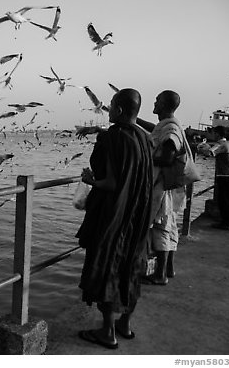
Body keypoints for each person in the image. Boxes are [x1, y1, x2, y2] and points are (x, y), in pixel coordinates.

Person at [76, 88, 153, 349]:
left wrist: (89, 180)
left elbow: (110, 183)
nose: (107, 109)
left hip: (114, 214)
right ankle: (125, 325)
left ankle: (107, 332)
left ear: (119, 110)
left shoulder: (113, 137)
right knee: (131, 263)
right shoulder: (144, 138)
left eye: (110, 105)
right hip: (138, 214)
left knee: (108, 264)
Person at [136, 90, 188, 286]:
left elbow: (166, 157)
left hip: (163, 187)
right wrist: (135, 121)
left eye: (157, 101)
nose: (154, 103)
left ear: (165, 105)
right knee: (169, 225)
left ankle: (160, 274)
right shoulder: (167, 126)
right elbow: (154, 129)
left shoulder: (171, 130)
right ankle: (168, 268)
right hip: (166, 186)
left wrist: (143, 158)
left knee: (162, 228)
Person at [204, 125, 229, 229]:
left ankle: (226, 223)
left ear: (217, 134)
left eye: (213, 133)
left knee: (224, 200)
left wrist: (201, 147)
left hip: (223, 175)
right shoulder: (228, 143)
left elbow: (210, 153)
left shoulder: (220, 144)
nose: (212, 135)